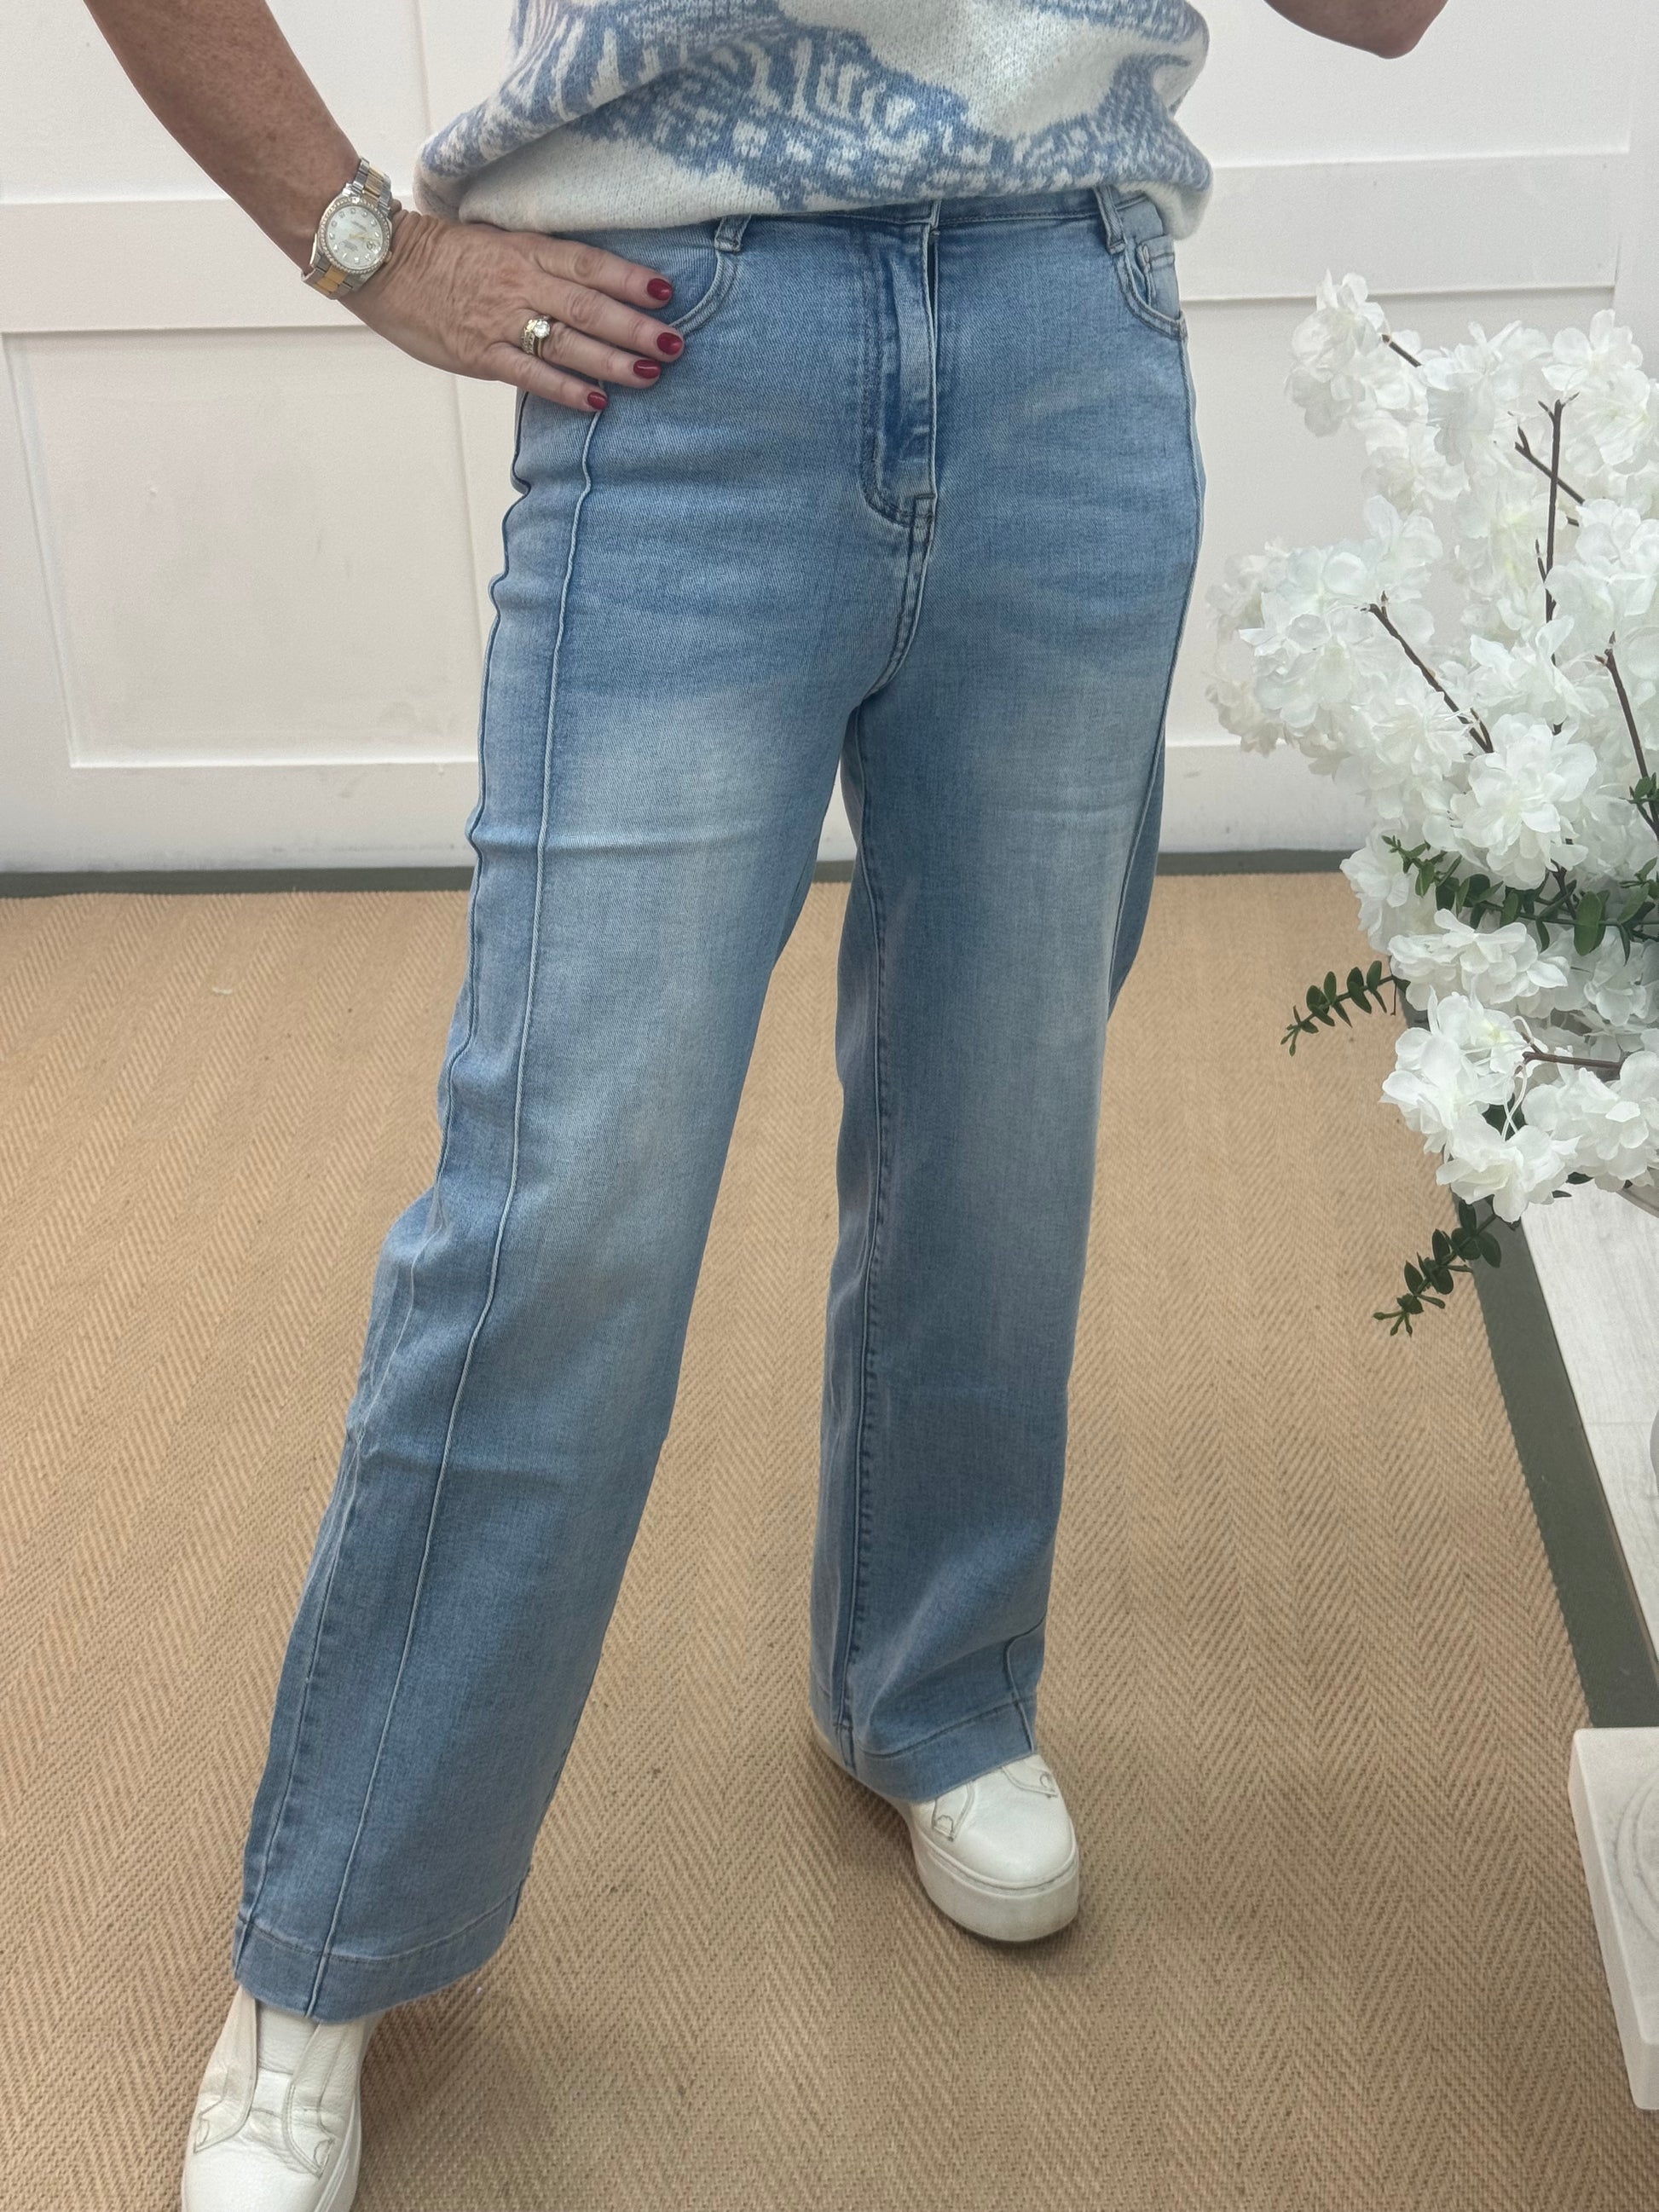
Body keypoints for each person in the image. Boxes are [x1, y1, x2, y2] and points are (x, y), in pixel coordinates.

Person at [71, 2, 1446, 2203]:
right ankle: (330, 1928)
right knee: (565, 1197)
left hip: (1066, 320)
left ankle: (932, 1688)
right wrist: (365, 243)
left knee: (999, 1126)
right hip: (679, 338)